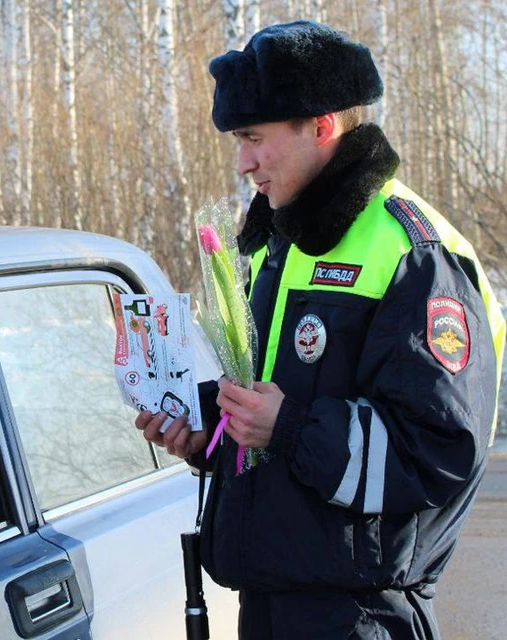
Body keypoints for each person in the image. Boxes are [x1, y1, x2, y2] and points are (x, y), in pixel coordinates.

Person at [135, 20, 506, 639]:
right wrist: (209, 427)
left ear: (322, 125)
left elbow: (438, 451)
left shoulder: (411, 252)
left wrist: (289, 427)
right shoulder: (281, 243)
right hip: (272, 606)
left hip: (363, 617)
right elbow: (280, 400)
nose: (242, 162)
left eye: (254, 138)